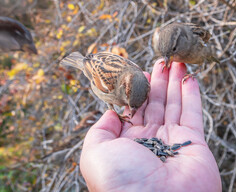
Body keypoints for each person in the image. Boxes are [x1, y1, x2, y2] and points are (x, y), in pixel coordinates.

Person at [80, 60, 222, 191]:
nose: (133, 111)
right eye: (132, 106)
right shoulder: (110, 83)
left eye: (138, 105)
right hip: (93, 67)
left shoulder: (137, 75)